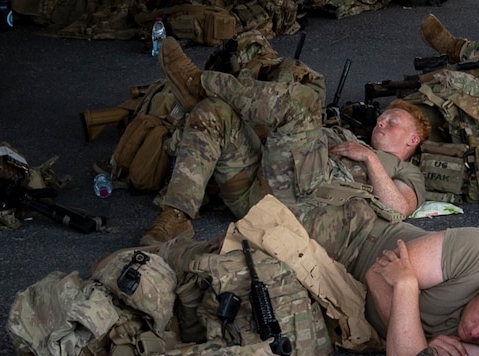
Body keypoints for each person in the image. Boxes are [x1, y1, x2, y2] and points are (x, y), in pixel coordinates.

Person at [141, 41, 430, 246]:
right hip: (255, 191)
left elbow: (398, 208)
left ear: (413, 139)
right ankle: (176, 216)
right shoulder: (346, 136)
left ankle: (199, 83)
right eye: (383, 118)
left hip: (300, 206)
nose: (381, 122)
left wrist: (370, 159)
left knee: (298, 113)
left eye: (392, 121)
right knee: (214, 113)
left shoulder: (405, 170)